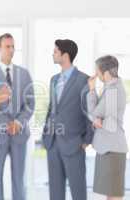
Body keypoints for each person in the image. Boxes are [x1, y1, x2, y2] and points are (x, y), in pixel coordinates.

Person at [0, 33, 35, 200]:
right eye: (7, 46)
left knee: (19, 178)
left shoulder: (24, 74)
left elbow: (30, 103)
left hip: (19, 134)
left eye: (13, 46)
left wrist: (18, 123)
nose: (11, 50)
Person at [42, 39, 94, 200]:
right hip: (53, 143)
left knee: (78, 191)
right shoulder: (54, 79)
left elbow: (89, 111)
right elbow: (52, 108)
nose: (53, 54)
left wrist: (87, 139)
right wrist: (46, 133)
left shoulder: (83, 80)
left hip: (74, 143)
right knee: (55, 193)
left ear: (65, 55)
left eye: (56, 51)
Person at [87, 55, 128, 200]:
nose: (96, 75)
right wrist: (97, 119)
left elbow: (94, 113)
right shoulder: (111, 88)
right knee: (111, 194)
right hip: (110, 148)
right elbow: (99, 115)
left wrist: (91, 91)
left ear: (105, 73)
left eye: (97, 72)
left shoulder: (112, 91)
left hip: (112, 149)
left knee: (114, 195)